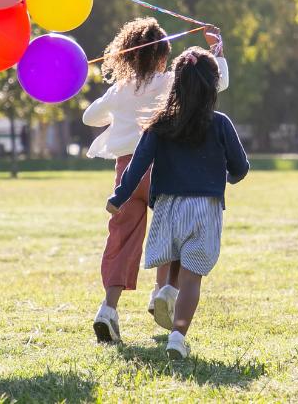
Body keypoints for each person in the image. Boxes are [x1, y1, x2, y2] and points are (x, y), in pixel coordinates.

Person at [84, 18, 229, 344]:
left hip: (126, 173)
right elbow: (216, 83)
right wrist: (216, 50)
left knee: (121, 239)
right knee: (173, 233)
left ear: (127, 57)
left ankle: (108, 308)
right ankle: (162, 292)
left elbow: (89, 117)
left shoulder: (119, 90)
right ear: (163, 57)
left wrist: (117, 106)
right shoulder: (169, 83)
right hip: (163, 169)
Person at [106, 47, 249, 359]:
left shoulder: (160, 123)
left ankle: (167, 290)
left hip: (168, 206)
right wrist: (227, 177)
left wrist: (119, 197)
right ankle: (177, 337)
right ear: (213, 86)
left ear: (176, 84)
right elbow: (241, 167)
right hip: (205, 208)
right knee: (192, 276)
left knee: (173, 255)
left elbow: (137, 165)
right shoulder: (221, 123)